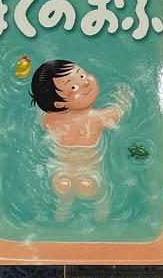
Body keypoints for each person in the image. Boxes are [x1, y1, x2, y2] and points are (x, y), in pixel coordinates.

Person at [29, 60, 129, 222]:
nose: (86, 82)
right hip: (89, 170)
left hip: (61, 167)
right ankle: (102, 208)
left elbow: (39, 115)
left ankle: (63, 207)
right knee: (92, 188)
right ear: (59, 104)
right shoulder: (96, 119)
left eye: (82, 75)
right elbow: (117, 113)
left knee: (63, 185)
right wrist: (123, 99)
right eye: (74, 87)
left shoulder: (50, 120)